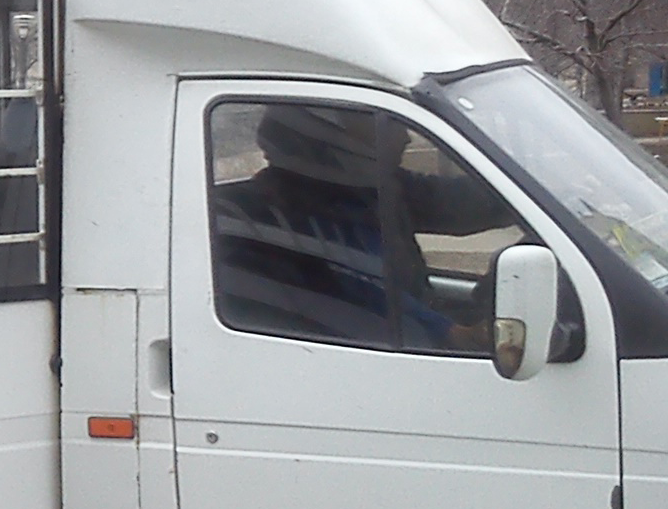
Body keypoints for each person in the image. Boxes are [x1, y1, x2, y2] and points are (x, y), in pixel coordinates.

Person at [214, 103, 514, 352]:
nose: (405, 139)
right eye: (387, 125)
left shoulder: (374, 190)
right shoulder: (294, 216)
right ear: (326, 129)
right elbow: (367, 296)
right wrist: (456, 334)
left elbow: (456, 204)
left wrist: (534, 191)